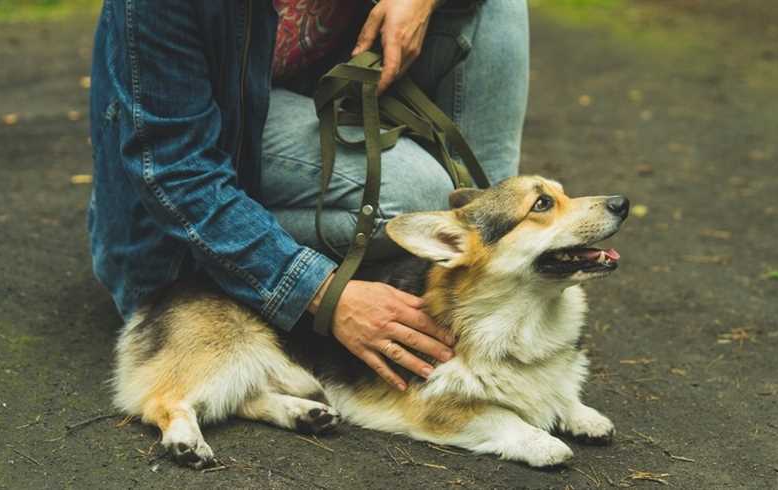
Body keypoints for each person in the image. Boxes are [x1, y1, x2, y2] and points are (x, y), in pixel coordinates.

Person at [88, 0, 529, 391]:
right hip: (177, 201)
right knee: (418, 200)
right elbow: (177, 172)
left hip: (289, 106)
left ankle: (497, 249)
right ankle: (259, 259)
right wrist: (324, 292)